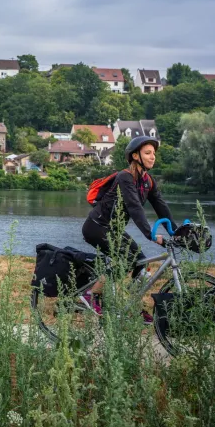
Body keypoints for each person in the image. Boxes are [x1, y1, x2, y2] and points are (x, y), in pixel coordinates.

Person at [81, 135, 177, 320]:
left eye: (154, 153)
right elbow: (134, 206)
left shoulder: (148, 181)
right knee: (127, 261)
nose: (152, 157)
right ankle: (90, 295)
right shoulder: (125, 177)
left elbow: (161, 206)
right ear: (135, 156)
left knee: (140, 261)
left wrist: (176, 230)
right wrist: (150, 234)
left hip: (113, 230)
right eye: (147, 153)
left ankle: (132, 308)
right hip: (96, 226)